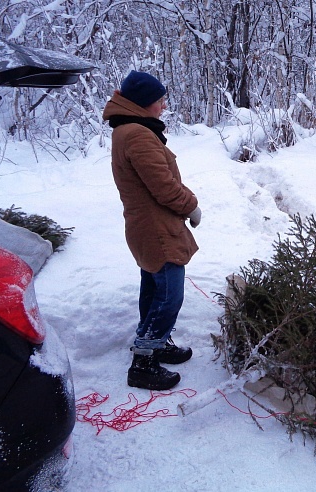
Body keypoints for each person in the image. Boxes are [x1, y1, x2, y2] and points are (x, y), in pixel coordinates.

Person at [102, 70, 202, 390]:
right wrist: (191, 206)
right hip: (157, 228)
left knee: (154, 288)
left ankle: (157, 344)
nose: (162, 106)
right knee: (169, 295)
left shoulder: (129, 130)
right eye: (159, 101)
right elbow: (163, 187)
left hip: (148, 225)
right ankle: (143, 364)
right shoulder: (138, 135)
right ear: (144, 103)